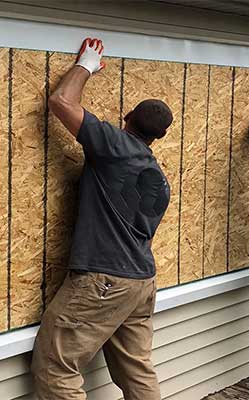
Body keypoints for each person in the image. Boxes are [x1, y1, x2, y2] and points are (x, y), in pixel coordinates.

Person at [31, 38, 172, 400]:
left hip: (103, 281)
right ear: (161, 136)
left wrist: (87, 64)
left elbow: (62, 102)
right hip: (141, 282)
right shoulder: (158, 178)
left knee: (56, 366)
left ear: (126, 119)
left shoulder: (116, 146)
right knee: (137, 370)